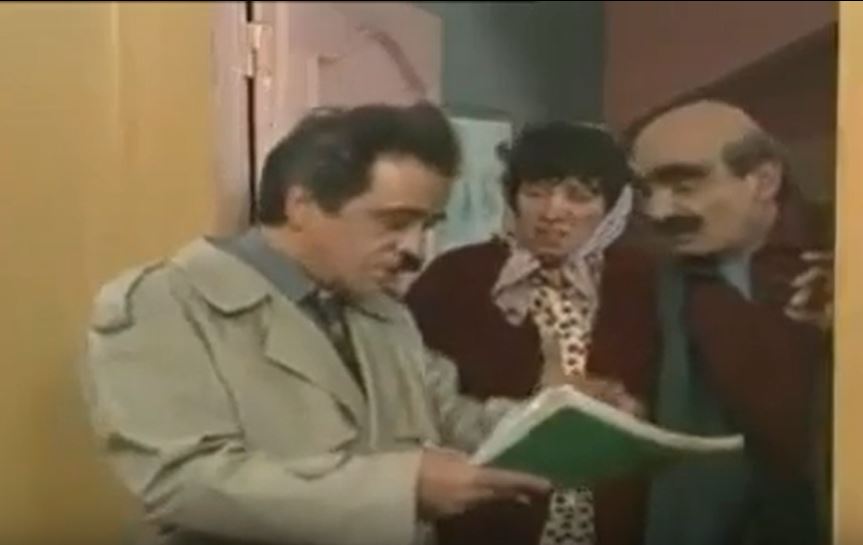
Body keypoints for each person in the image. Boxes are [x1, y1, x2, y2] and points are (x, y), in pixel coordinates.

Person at [80, 102, 552, 545]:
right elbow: (181, 481)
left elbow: (448, 414)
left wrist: (549, 419)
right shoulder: (168, 302)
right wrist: (404, 488)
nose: (415, 250)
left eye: (427, 226)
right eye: (394, 223)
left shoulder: (380, 310)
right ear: (301, 205)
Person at [406, 122, 658, 545]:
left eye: (579, 196)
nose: (553, 211)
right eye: (536, 192)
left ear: (612, 205)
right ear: (512, 197)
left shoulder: (644, 282)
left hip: (613, 515)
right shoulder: (454, 278)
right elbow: (417, 400)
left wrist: (629, 408)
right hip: (488, 518)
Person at [628, 99, 832, 545]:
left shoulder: (841, 250)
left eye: (684, 186)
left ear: (764, 180)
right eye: (645, 191)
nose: (658, 211)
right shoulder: (648, 276)